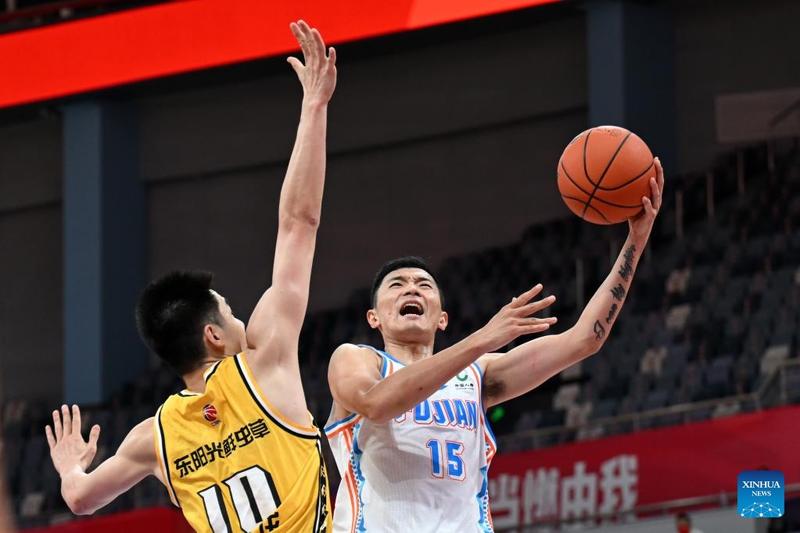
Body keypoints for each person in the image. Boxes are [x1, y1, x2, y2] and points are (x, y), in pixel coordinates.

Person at [44, 20, 336, 533]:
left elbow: (81, 499)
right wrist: (315, 106)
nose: (241, 320)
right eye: (231, 312)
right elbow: (299, 223)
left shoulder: (154, 437)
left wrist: (71, 466)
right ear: (213, 335)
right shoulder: (264, 365)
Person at [325, 161, 665, 531]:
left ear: (442, 318)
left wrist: (636, 240)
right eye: (397, 285)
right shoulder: (357, 359)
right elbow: (375, 405)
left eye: (424, 285)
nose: (412, 289)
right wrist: (483, 338)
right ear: (374, 317)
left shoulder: (478, 374)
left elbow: (585, 339)